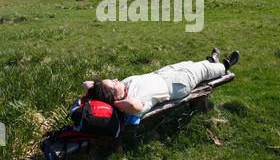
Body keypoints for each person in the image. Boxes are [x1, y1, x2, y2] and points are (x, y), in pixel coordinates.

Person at [83, 49, 240, 118]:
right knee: (202, 71)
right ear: (115, 96)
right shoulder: (134, 100)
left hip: (164, 73)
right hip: (177, 84)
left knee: (190, 64)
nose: (116, 79)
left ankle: (212, 61)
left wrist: (98, 91)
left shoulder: (120, 89)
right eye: (113, 83)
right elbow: (133, 106)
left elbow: (86, 83)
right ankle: (225, 65)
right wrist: (114, 103)